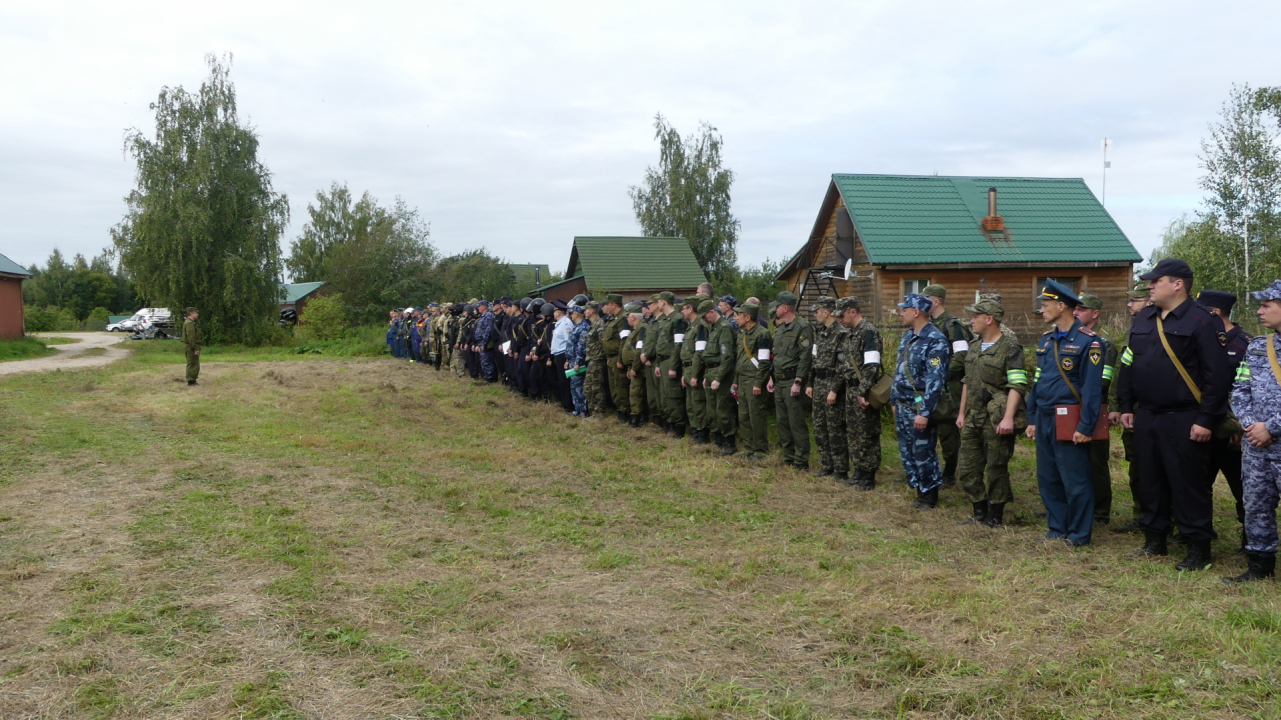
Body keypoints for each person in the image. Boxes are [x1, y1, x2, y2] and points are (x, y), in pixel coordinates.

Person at [1118, 258, 1230, 570]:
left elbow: (1216, 377)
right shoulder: (1144, 318)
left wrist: (1206, 419)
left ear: (1178, 284)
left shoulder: (1203, 320)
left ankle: (1198, 547)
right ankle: (1155, 539)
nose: (1150, 286)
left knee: (1187, 483)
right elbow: (1129, 365)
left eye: (1157, 281)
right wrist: (1126, 405)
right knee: (1149, 479)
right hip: (1148, 415)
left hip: (1185, 415)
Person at [1026, 280, 1104, 546]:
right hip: (1044, 417)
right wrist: (1031, 417)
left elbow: (1093, 390)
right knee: (1048, 477)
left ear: (1062, 306)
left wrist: (1085, 426)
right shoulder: (1046, 341)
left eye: (1046, 305)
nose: (1042, 310)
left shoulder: (1089, 342)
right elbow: (1038, 381)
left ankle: (1079, 534)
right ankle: (1056, 528)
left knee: (1075, 479)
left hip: (1070, 418)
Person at [1226, 279, 1281, 583]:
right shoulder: (1260, 345)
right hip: (1256, 446)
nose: (1259, 311)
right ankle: (1260, 566)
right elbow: (1240, 387)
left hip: (1273, 438)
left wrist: (1271, 427)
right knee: (1256, 505)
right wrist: (1250, 425)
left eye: (1266, 305)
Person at [956, 296, 1027, 527]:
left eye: (975, 316)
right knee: (967, 467)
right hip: (972, 416)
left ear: (989, 319)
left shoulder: (1010, 348)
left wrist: (1008, 417)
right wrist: (961, 413)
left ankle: (995, 515)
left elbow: (1017, 384)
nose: (971, 320)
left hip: (995, 418)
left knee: (996, 467)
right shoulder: (974, 346)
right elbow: (967, 380)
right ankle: (978, 510)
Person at [1199, 289, 1252, 552]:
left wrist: (1242, 426)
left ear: (1215, 313)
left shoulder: (1247, 344)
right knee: (1198, 484)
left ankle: (1251, 538)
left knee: (1243, 488)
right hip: (1204, 427)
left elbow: (1252, 391)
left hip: (1233, 432)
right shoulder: (1202, 340)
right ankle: (1200, 533)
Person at [892, 293, 951, 509]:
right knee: (907, 450)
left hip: (918, 406)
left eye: (904, 309)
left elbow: (935, 379)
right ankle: (918, 488)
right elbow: (899, 370)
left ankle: (929, 494)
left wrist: (924, 412)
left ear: (916, 312)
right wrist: (893, 401)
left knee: (923, 452)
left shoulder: (935, 340)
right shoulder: (908, 337)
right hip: (903, 404)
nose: (901, 313)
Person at [1109, 282, 1152, 533]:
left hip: (1150, 409)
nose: (1129, 304)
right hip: (1132, 410)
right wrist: (1117, 404)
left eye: (1134, 300)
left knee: (1154, 467)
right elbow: (1120, 373)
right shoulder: (1133, 330)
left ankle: (1163, 518)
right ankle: (1142, 517)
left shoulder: (1155, 327)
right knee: (1136, 466)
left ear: (1148, 301)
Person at [1074, 293, 1118, 527]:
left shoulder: (1104, 341)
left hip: (1094, 408)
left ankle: (1100, 512)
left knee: (1096, 461)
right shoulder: (1076, 338)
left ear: (1095, 313)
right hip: (1073, 407)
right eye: (1075, 308)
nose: (1076, 312)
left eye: (1082, 309)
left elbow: (1104, 380)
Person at [923, 284, 971, 488]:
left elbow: (961, 355)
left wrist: (941, 375)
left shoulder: (953, 325)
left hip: (949, 389)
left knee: (948, 434)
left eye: (925, 300)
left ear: (935, 301)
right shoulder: (928, 324)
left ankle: (950, 473)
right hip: (930, 388)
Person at [836, 296, 883, 490]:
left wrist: (862, 390)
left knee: (867, 433)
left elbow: (872, 365)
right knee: (854, 432)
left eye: (842, 314)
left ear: (852, 311)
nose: (839, 319)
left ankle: (868, 475)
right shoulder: (851, 333)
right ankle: (859, 472)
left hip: (863, 389)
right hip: (851, 388)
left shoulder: (869, 332)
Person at [768, 291, 815, 469]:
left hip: (792, 380)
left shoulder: (802, 327)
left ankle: (801, 459)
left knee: (796, 422)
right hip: (779, 381)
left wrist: (798, 381)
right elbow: (777, 356)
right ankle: (788, 456)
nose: (775, 309)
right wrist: (771, 378)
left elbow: (805, 356)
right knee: (782, 421)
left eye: (777, 306)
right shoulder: (780, 329)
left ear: (785, 308)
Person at [807, 297, 849, 481]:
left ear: (826, 312)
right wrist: (810, 383)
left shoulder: (841, 333)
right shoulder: (820, 332)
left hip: (832, 384)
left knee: (835, 428)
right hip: (818, 383)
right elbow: (814, 360)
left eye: (817, 311)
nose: (815, 314)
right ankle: (827, 465)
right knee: (819, 427)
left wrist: (834, 389)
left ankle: (840, 469)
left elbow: (842, 365)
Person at [732, 300, 771, 460]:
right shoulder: (742, 333)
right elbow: (740, 358)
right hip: (742, 380)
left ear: (748, 317)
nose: (736, 318)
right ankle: (748, 448)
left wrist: (758, 383)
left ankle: (760, 450)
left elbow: (764, 362)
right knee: (744, 416)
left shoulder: (762, 334)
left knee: (756, 416)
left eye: (739, 315)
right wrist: (735, 380)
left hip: (754, 380)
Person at [699, 298, 737, 454]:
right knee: (712, 410)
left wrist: (718, 378)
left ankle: (730, 442)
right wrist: (707, 376)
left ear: (711, 311)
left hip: (721, 373)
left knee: (723, 409)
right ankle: (719, 439)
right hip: (711, 372)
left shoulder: (724, 328)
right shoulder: (713, 328)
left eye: (704, 315)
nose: (703, 319)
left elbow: (726, 357)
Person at [681, 296, 710, 445]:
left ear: (690, 309)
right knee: (690, 403)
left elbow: (700, 352)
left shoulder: (700, 326)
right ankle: (694, 429)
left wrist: (695, 374)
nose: (682, 311)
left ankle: (702, 432)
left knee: (698, 402)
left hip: (695, 368)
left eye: (684, 308)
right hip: (687, 368)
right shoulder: (690, 326)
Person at [601, 294, 630, 423]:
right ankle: (620, 410)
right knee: (614, 387)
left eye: (608, 304)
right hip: (611, 358)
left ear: (614, 304)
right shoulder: (613, 319)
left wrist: (620, 359)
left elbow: (624, 341)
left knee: (621, 387)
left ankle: (625, 413)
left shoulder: (623, 318)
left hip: (618, 358)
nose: (606, 307)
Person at [621, 304, 649, 427]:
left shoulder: (642, 328)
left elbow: (639, 350)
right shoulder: (637, 328)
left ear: (632, 317)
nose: (627, 320)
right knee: (634, 392)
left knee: (636, 393)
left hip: (638, 368)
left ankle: (636, 419)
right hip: (633, 366)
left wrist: (634, 368)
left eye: (627, 317)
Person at [584, 301, 610, 418]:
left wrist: (605, 357)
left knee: (597, 387)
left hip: (598, 359)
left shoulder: (599, 324)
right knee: (588, 386)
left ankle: (599, 412)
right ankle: (592, 411)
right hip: (592, 359)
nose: (584, 312)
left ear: (592, 310)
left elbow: (603, 342)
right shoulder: (592, 324)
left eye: (586, 309)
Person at [567, 304, 591, 417]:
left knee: (579, 387)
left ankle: (583, 410)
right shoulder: (576, 326)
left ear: (577, 314)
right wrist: (568, 359)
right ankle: (577, 408)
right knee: (573, 386)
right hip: (572, 360)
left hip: (579, 362)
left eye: (572, 313)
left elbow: (582, 347)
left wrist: (577, 362)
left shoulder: (584, 327)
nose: (570, 315)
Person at [550, 302, 574, 410]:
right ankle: (565, 403)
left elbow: (569, 342)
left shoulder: (565, 324)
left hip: (564, 355)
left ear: (558, 312)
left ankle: (568, 405)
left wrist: (568, 359)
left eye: (555, 311)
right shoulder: (559, 323)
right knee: (561, 380)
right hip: (558, 355)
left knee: (565, 381)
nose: (553, 313)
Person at [182, 307, 201, 386]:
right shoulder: (189, 323)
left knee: (193, 362)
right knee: (192, 363)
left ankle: (192, 379)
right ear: (191, 313)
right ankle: (191, 381)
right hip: (191, 347)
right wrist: (195, 348)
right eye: (196, 313)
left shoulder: (189, 322)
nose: (197, 314)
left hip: (189, 346)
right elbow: (191, 337)